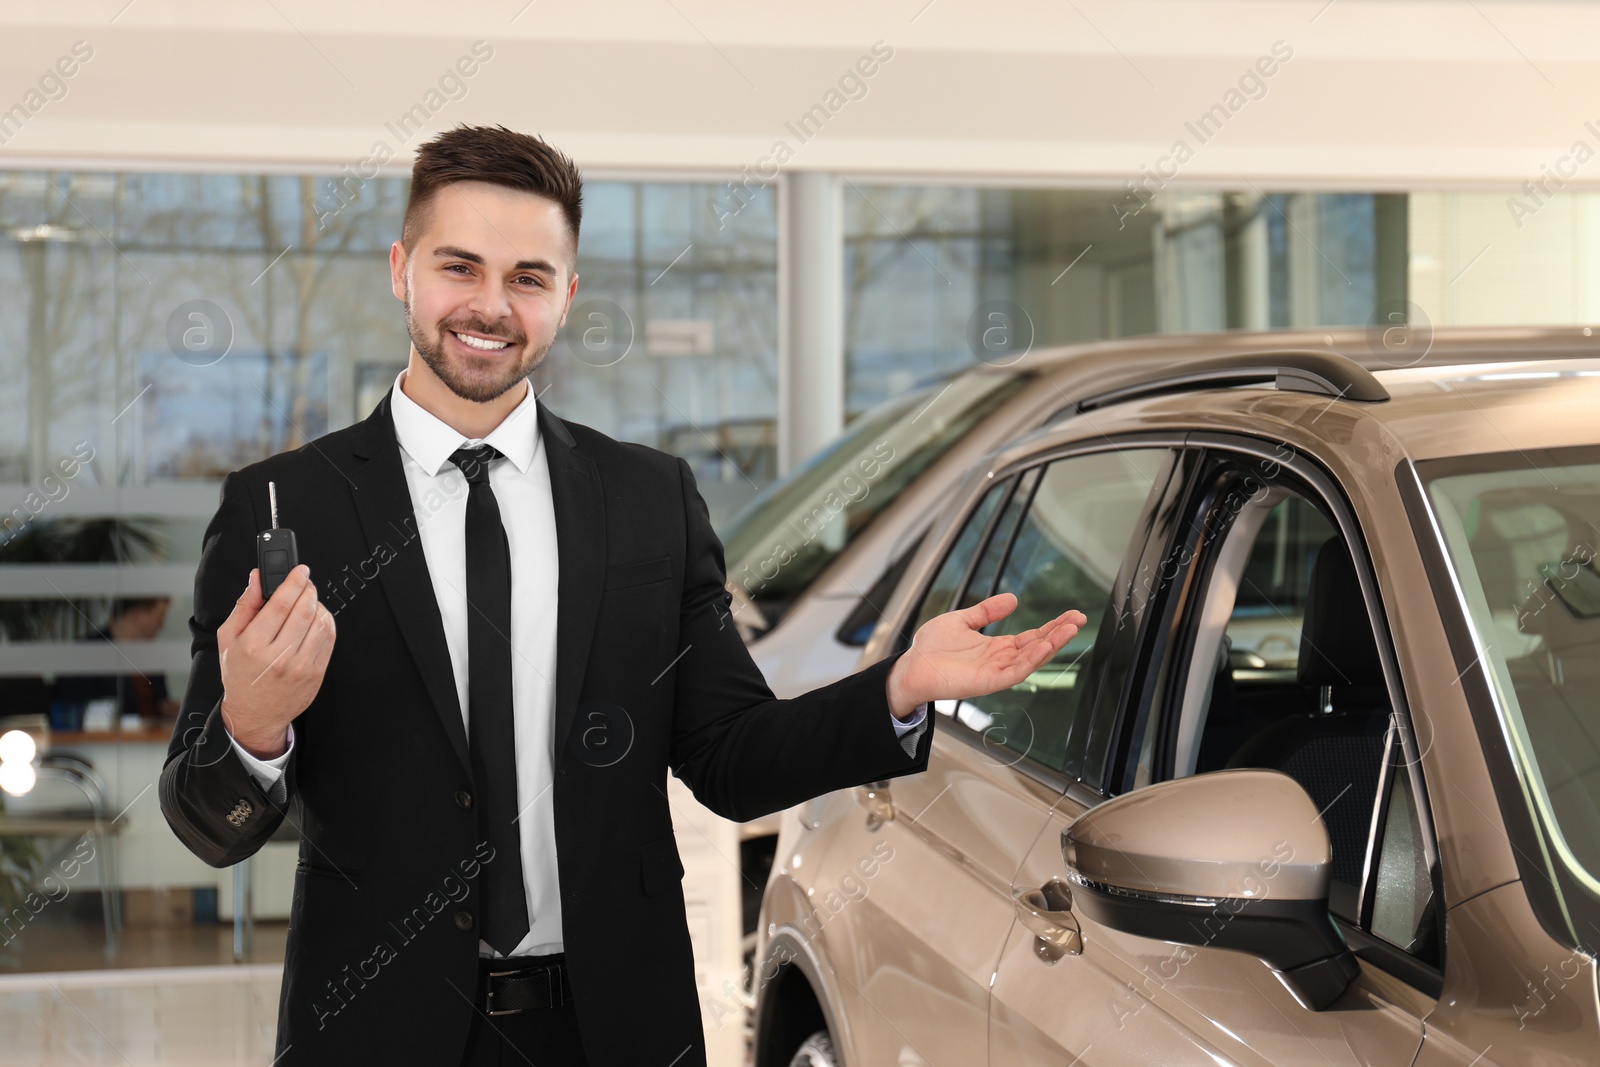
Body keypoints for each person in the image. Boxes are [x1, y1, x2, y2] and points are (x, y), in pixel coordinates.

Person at [158, 124, 1086, 1067]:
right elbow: (203, 823)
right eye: (459, 267)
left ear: (566, 296)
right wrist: (253, 727)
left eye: (527, 276)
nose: (490, 305)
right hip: (376, 1032)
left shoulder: (649, 500)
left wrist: (896, 687)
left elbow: (730, 758)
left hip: (612, 1029)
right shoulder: (285, 509)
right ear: (402, 270)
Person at [54, 596, 180, 724]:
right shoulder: (86, 654)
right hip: (106, 741)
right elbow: (75, 713)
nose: (161, 627)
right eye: (159, 620)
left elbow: (160, 704)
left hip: (154, 741)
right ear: (138, 615)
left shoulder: (150, 657)